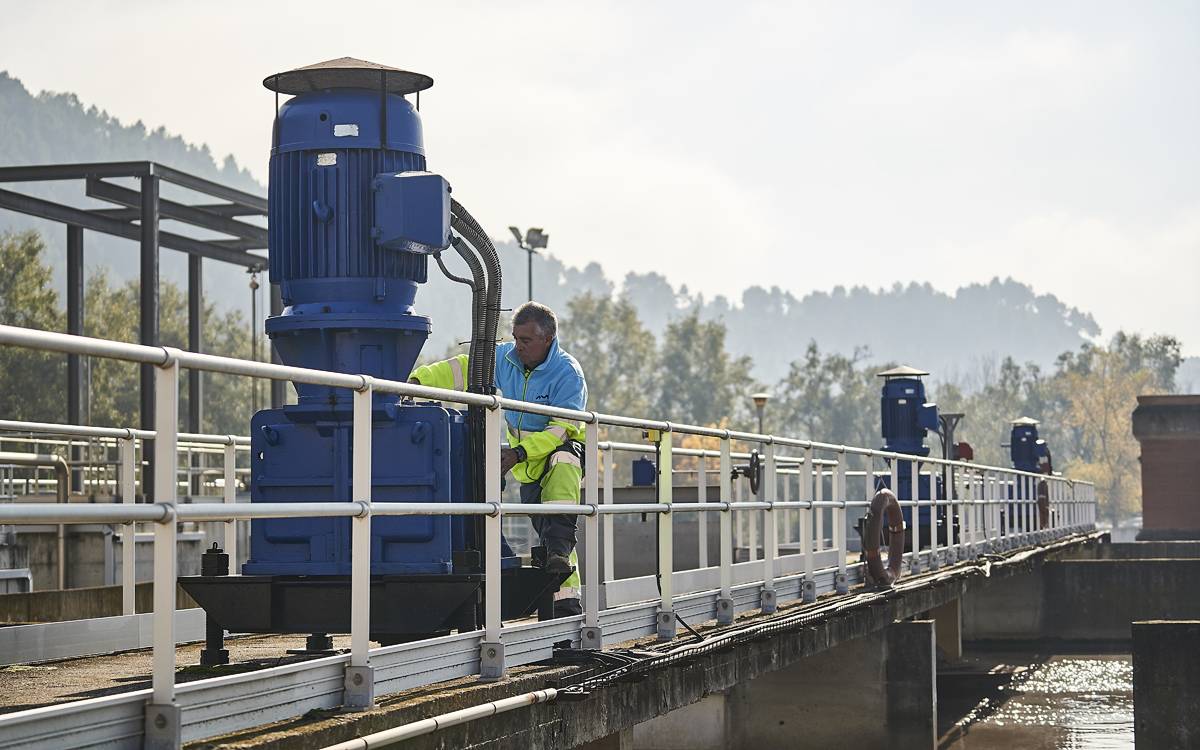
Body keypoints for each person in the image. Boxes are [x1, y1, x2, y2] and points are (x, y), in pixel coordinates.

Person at [409, 301, 587, 616]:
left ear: (547, 339)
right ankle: (561, 595)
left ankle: (567, 606)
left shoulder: (567, 373)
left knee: (559, 515)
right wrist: (418, 383)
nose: (518, 347)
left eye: (526, 340)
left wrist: (519, 452)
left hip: (556, 455)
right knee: (549, 537)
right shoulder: (506, 359)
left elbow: (562, 429)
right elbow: (464, 367)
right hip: (526, 466)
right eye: (516, 338)